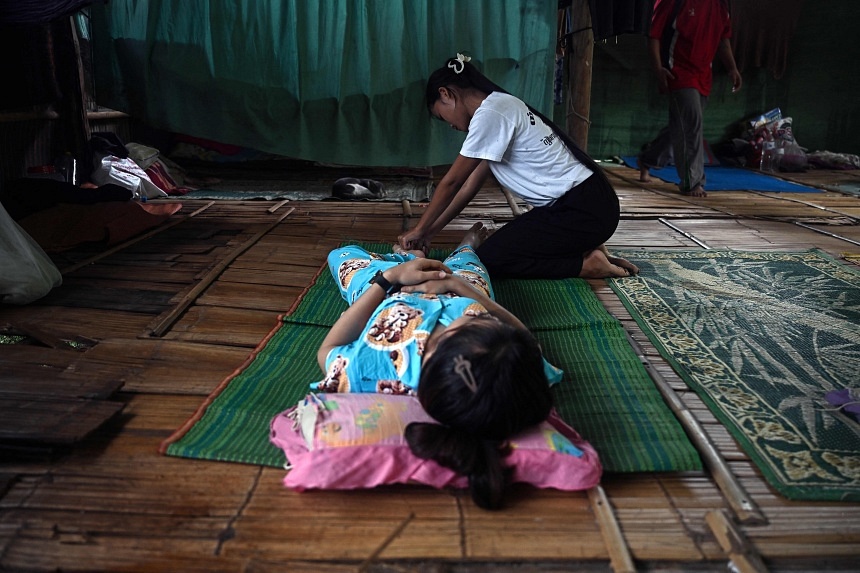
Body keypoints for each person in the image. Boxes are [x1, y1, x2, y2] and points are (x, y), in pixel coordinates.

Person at [315, 224, 559, 509]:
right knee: (466, 264)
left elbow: (327, 351)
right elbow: (529, 342)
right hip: (462, 286)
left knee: (342, 255)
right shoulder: (514, 370)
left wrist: (387, 279)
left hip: (388, 291)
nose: (489, 319)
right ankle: (464, 247)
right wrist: (462, 289)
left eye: (479, 320)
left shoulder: (379, 364)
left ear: (449, 344)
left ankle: (402, 257)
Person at [397, 54, 638, 280]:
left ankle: (586, 265)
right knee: (509, 244)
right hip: (591, 206)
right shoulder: (500, 106)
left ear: (446, 94)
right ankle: (588, 249)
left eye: (441, 116)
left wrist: (418, 228)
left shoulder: (489, 114)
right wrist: (429, 232)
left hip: (581, 211)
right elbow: (469, 187)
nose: (449, 125)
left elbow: (453, 182)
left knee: (490, 259)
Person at [637, 0, 742, 197]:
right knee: (691, 124)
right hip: (678, 72)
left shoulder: (720, 6)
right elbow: (653, 35)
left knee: (683, 125)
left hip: (703, 74)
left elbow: (723, 39)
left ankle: (648, 159)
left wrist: (732, 68)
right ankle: (692, 182)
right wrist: (658, 69)